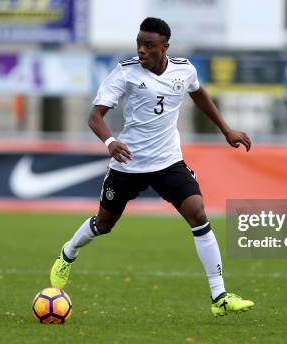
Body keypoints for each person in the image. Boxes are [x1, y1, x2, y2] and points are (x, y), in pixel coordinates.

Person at [50, 17, 254, 317]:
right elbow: (95, 116)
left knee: (198, 213)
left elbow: (198, 93)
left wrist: (226, 130)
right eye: (139, 44)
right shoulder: (125, 72)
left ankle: (219, 295)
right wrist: (110, 142)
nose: (142, 51)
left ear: (164, 47)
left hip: (168, 162)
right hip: (128, 163)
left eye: (149, 45)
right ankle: (69, 253)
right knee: (103, 224)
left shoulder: (184, 70)